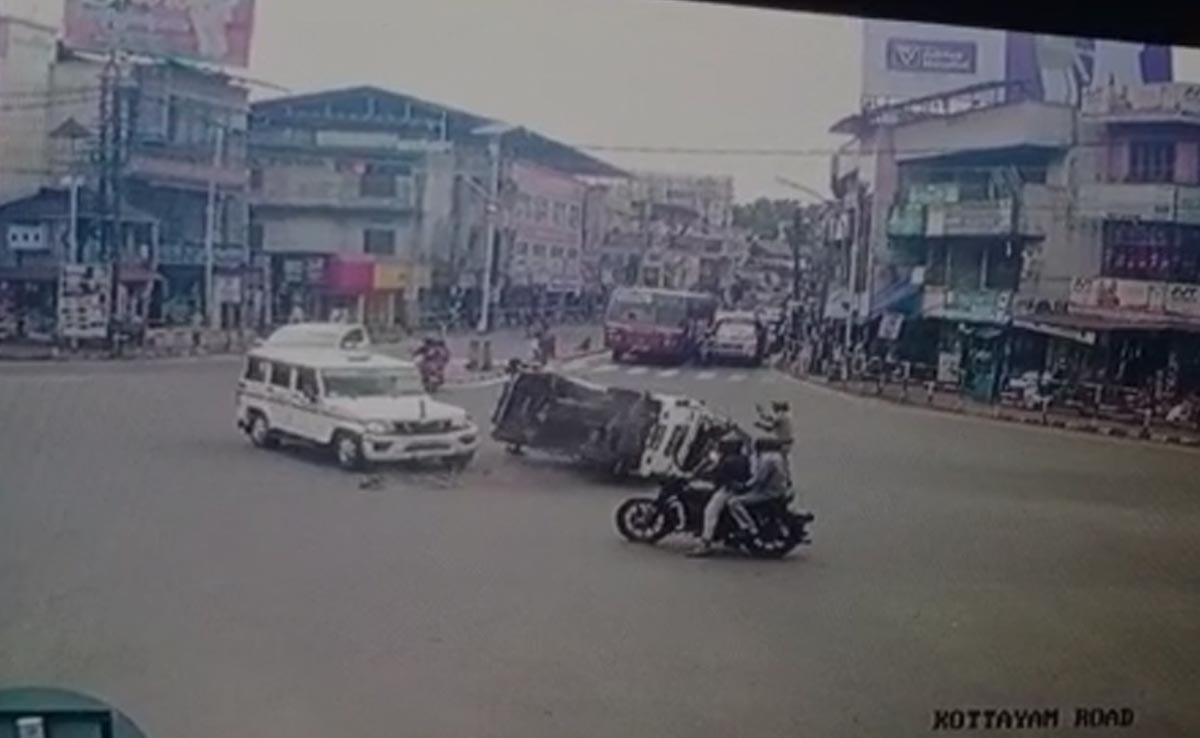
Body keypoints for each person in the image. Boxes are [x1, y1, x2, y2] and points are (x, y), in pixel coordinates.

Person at [687, 433, 752, 558]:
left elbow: (716, 474)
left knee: (710, 511)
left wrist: (699, 474)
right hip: (738, 488)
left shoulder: (729, 460)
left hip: (728, 490)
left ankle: (705, 543)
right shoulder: (742, 458)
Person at [728, 437, 792, 535]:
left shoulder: (767, 459)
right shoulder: (778, 456)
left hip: (768, 491)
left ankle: (749, 527)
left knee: (733, 502)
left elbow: (760, 479)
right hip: (780, 488)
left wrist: (744, 485)